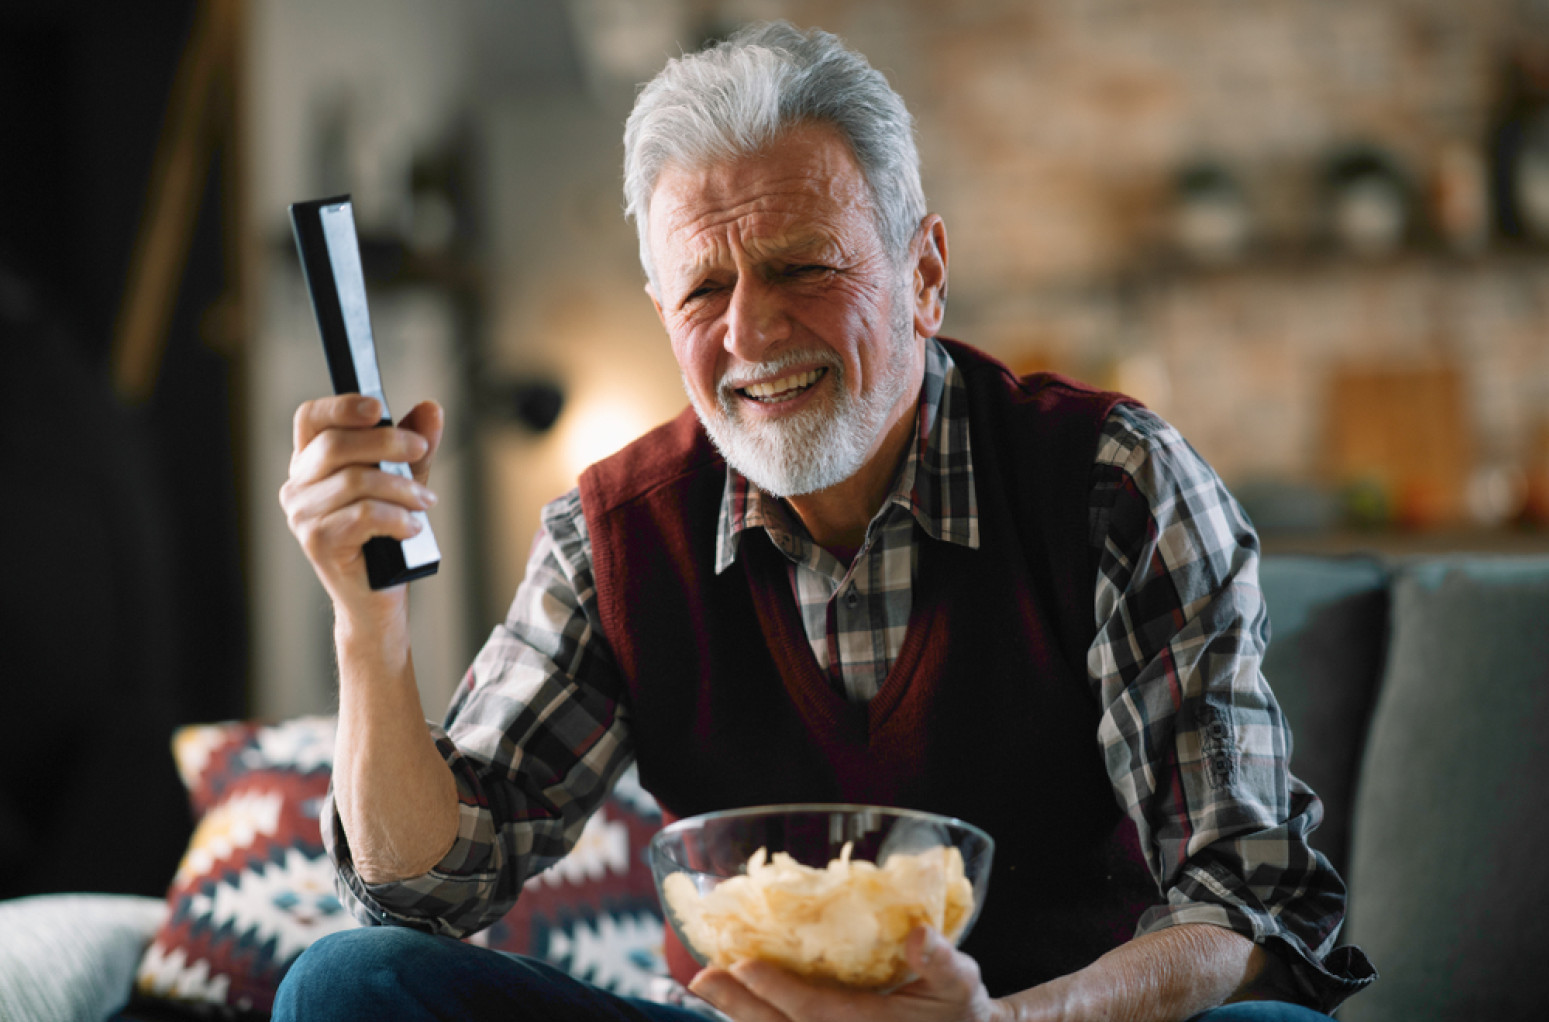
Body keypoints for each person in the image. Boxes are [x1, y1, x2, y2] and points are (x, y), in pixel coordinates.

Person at [274, 21, 1373, 1022]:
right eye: (704, 289)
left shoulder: (1112, 479)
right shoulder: (609, 533)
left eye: (802, 266)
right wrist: (368, 629)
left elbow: (1246, 907)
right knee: (350, 983)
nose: (750, 331)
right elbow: (428, 884)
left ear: (923, 273)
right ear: (663, 314)